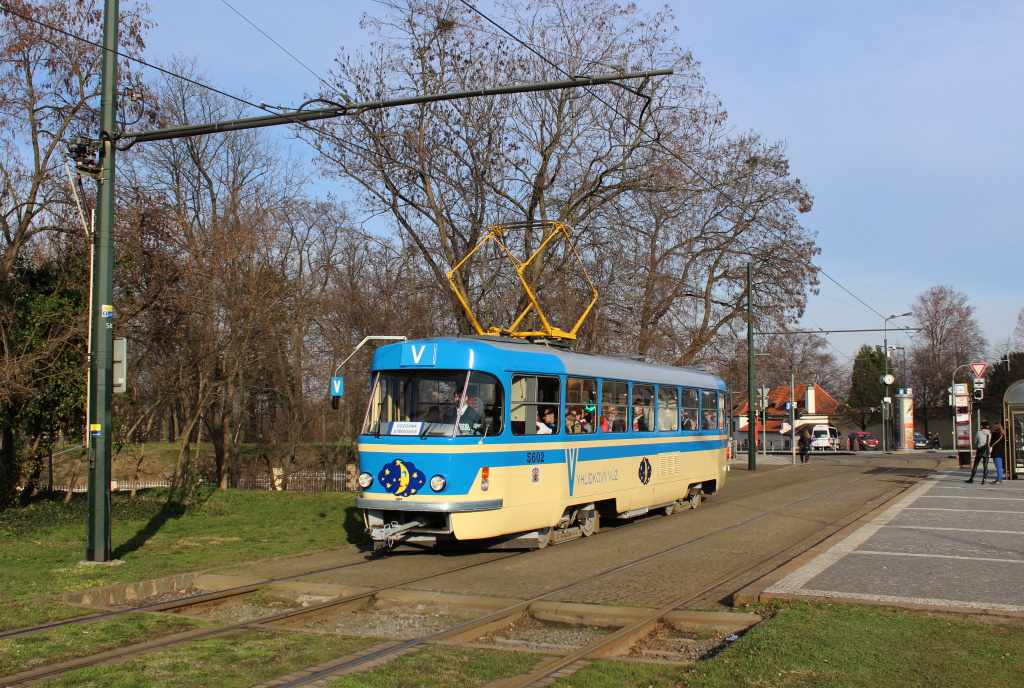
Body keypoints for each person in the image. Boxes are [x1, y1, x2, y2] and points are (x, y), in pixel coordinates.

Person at [965, 419, 992, 484]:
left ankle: (971, 479)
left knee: (976, 465)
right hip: (986, 450)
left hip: (980, 449)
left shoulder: (979, 432)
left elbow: (975, 440)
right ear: (988, 426)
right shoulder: (989, 433)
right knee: (985, 466)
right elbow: (989, 441)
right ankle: (984, 479)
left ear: (982, 426)